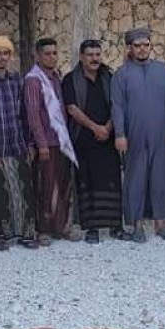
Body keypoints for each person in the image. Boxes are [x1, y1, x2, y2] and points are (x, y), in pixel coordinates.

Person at [111, 26, 165, 242]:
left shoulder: (164, 71)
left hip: (162, 134)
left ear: (151, 46)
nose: (142, 49)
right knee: (135, 178)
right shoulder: (121, 75)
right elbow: (117, 106)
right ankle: (137, 225)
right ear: (129, 48)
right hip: (134, 135)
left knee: (162, 177)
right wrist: (120, 134)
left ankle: (161, 224)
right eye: (137, 45)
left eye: (146, 45)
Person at [0, 35, 40, 251]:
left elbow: (25, 115)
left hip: (18, 144)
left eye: (6, 53)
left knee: (24, 190)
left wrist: (30, 142)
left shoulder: (17, 80)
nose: (2, 57)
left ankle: (26, 232)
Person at [62, 39, 123, 244]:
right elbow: (72, 109)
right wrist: (95, 128)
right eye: (90, 55)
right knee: (87, 182)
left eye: (97, 54)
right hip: (84, 139)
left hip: (108, 139)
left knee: (112, 181)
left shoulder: (109, 77)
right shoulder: (71, 79)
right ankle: (92, 228)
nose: (94, 58)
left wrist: (107, 127)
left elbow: (118, 104)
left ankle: (116, 225)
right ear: (81, 56)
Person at [24, 37, 80, 243]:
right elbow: (33, 113)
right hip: (46, 143)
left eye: (55, 53)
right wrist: (41, 143)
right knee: (45, 186)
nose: (52, 57)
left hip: (61, 141)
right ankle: (44, 229)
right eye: (47, 53)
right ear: (37, 55)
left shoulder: (56, 78)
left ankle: (61, 226)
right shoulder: (33, 80)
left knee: (63, 184)